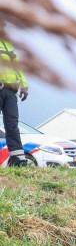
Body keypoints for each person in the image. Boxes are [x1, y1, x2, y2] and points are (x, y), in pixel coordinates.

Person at [0, 38, 30, 167]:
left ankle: (17, 159)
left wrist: (24, 86)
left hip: (10, 91)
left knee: (12, 124)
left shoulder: (7, 44)